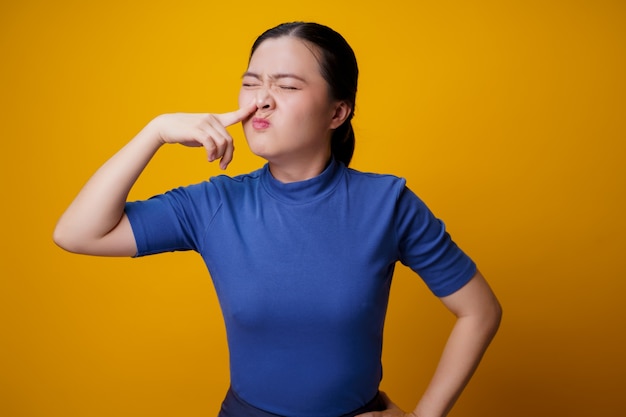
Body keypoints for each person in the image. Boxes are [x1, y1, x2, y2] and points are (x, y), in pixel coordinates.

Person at [54, 21, 501, 417]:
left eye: (286, 86)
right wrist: (155, 131)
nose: (261, 101)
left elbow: (479, 312)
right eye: (251, 84)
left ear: (337, 112)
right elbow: (76, 233)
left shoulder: (388, 203)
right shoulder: (214, 203)